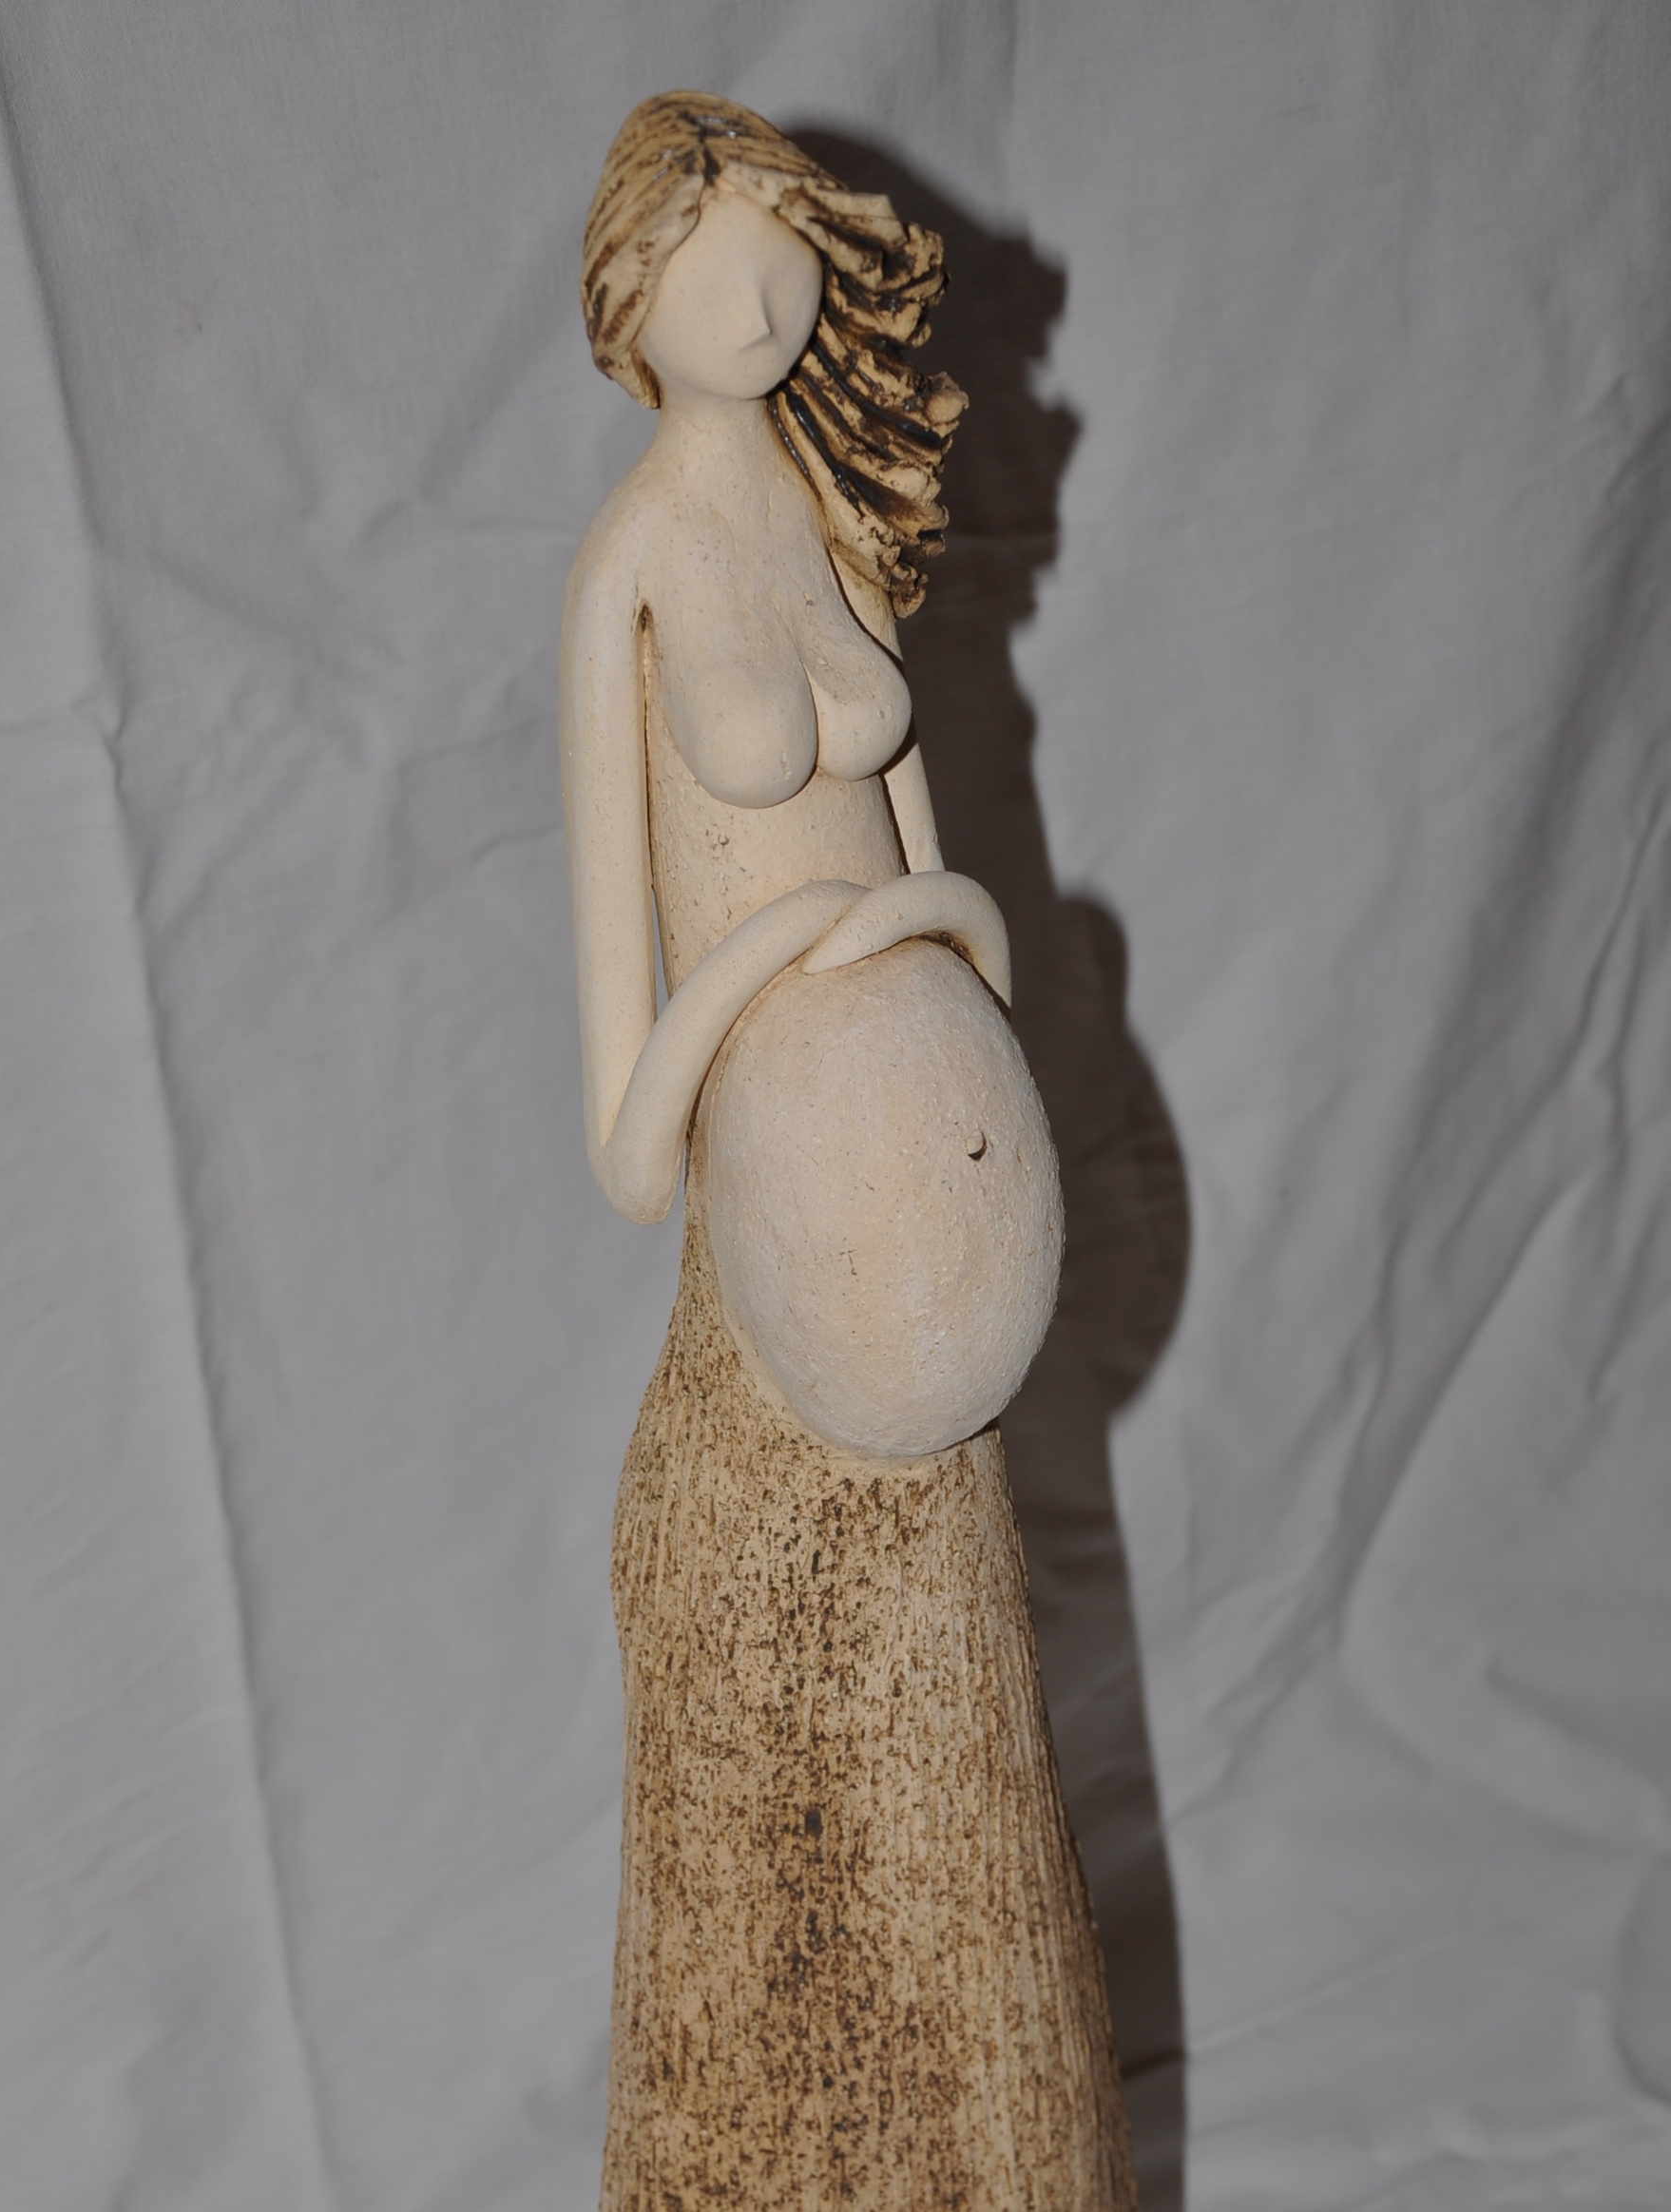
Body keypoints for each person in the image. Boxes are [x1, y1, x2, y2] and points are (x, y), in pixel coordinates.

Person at [563, 92, 1138, 2210]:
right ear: (626, 300)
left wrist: (921, 977)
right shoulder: (629, 576)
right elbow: (631, 1142)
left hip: (925, 1385)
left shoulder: (821, 515)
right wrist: (785, 970)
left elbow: (956, 902)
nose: (758, 291)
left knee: (968, 1896)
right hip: (769, 1348)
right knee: (788, 1924)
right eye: (707, 255)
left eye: (778, 244)